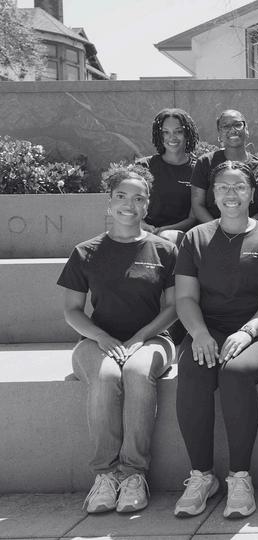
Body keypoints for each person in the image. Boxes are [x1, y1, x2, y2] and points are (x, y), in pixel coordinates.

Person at [58, 165, 178, 514]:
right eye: (121, 196)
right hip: (96, 341)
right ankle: (105, 476)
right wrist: (102, 338)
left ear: (147, 204)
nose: (130, 204)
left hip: (154, 340)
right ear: (109, 202)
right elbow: (72, 311)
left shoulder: (164, 250)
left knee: (137, 372)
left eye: (139, 198)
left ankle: (133, 474)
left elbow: (173, 308)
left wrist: (141, 337)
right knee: (107, 375)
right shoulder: (85, 252)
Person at [173, 161, 258, 519]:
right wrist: (199, 333)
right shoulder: (195, 238)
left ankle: (240, 477)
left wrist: (247, 331)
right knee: (193, 369)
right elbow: (185, 298)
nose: (231, 194)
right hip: (207, 329)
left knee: (235, 372)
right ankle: (201, 476)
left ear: (252, 193)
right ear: (213, 193)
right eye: (223, 186)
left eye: (239, 186)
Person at [190, 109, 258, 223]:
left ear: (246, 129)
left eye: (238, 125)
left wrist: (245, 228)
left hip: (250, 229)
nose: (232, 130)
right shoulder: (205, 163)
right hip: (211, 228)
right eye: (226, 126)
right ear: (219, 133)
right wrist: (217, 228)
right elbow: (198, 205)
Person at [136, 108, 199, 245]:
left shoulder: (198, 168)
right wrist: (142, 224)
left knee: (165, 238)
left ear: (187, 133)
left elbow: (193, 218)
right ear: (159, 135)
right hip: (146, 231)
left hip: (181, 235)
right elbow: (132, 202)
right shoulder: (145, 166)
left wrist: (163, 230)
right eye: (166, 132)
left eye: (178, 131)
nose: (172, 137)